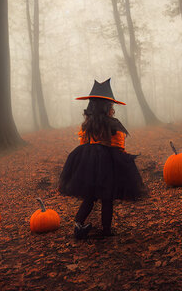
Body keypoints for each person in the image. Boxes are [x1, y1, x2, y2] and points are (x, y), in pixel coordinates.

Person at [58, 78, 146, 239]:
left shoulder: (87, 124)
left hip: (88, 162)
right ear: (108, 106)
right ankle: (106, 230)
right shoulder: (113, 124)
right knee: (107, 197)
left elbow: (84, 142)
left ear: (91, 105)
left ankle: (78, 224)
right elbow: (119, 146)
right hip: (107, 163)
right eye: (111, 106)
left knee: (90, 196)